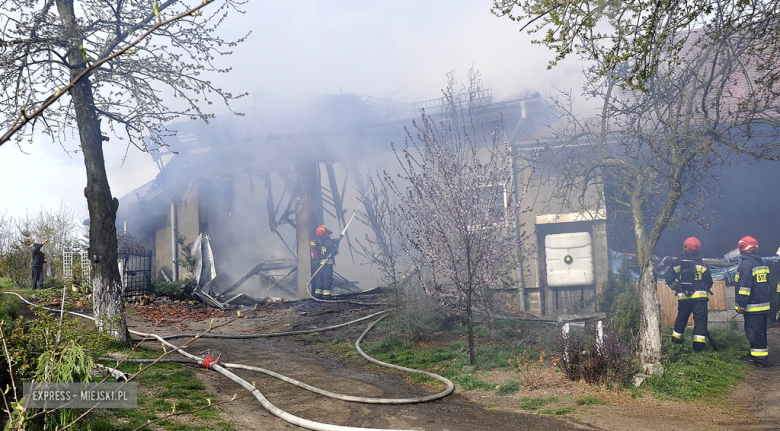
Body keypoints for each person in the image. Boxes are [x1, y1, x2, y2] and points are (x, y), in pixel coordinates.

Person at [664, 236, 713, 351]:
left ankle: (675, 343)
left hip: (684, 297)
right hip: (700, 298)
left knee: (681, 318)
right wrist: (702, 289)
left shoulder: (678, 262)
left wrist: (676, 288)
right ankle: (698, 348)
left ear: (685, 247)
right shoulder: (702, 263)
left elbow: (668, 277)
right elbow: (709, 281)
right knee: (700, 321)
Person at [735, 236, 770, 367]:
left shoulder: (745, 265)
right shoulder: (762, 263)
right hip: (763, 305)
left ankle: (760, 360)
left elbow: (744, 288)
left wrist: (741, 304)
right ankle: (757, 355)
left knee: (754, 332)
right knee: (761, 332)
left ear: (742, 248)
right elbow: (767, 285)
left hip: (752, 306)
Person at [314, 225, 339, 300]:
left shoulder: (322, 242)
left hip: (322, 263)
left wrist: (335, 242)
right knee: (328, 278)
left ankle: (318, 294)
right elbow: (335, 252)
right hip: (328, 264)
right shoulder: (329, 242)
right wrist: (336, 245)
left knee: (321, 278)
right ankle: (327, 295)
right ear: (326, 233)